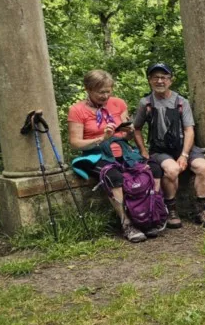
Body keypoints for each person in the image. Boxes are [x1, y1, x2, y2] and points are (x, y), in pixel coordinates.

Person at [67, 69, 163, 243]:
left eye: (108, 91)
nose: (105, 96)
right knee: (114, 176)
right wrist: (101, 138)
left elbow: (127, 136)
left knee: (154, 168)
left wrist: (129, 132)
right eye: (100, 92)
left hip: (122, 150)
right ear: (88, 89)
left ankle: (150, 214)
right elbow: (75, 143)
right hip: (96, 154)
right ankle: (127, 223)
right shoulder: (77, 110)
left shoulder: (118, 103)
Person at [131, 62, 205, 229]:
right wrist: (143, 150)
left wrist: (184, 154)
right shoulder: (146, 103)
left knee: (202, 167)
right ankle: (171, 210)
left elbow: (189, 130)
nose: (160, 81)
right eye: (156, 77)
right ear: (149, 80)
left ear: (170, 80)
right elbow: (136, 128)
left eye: (164, 77)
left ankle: (202, 210)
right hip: (160, 149)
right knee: (172, 170)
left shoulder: (181, 102)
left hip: (183, 146)